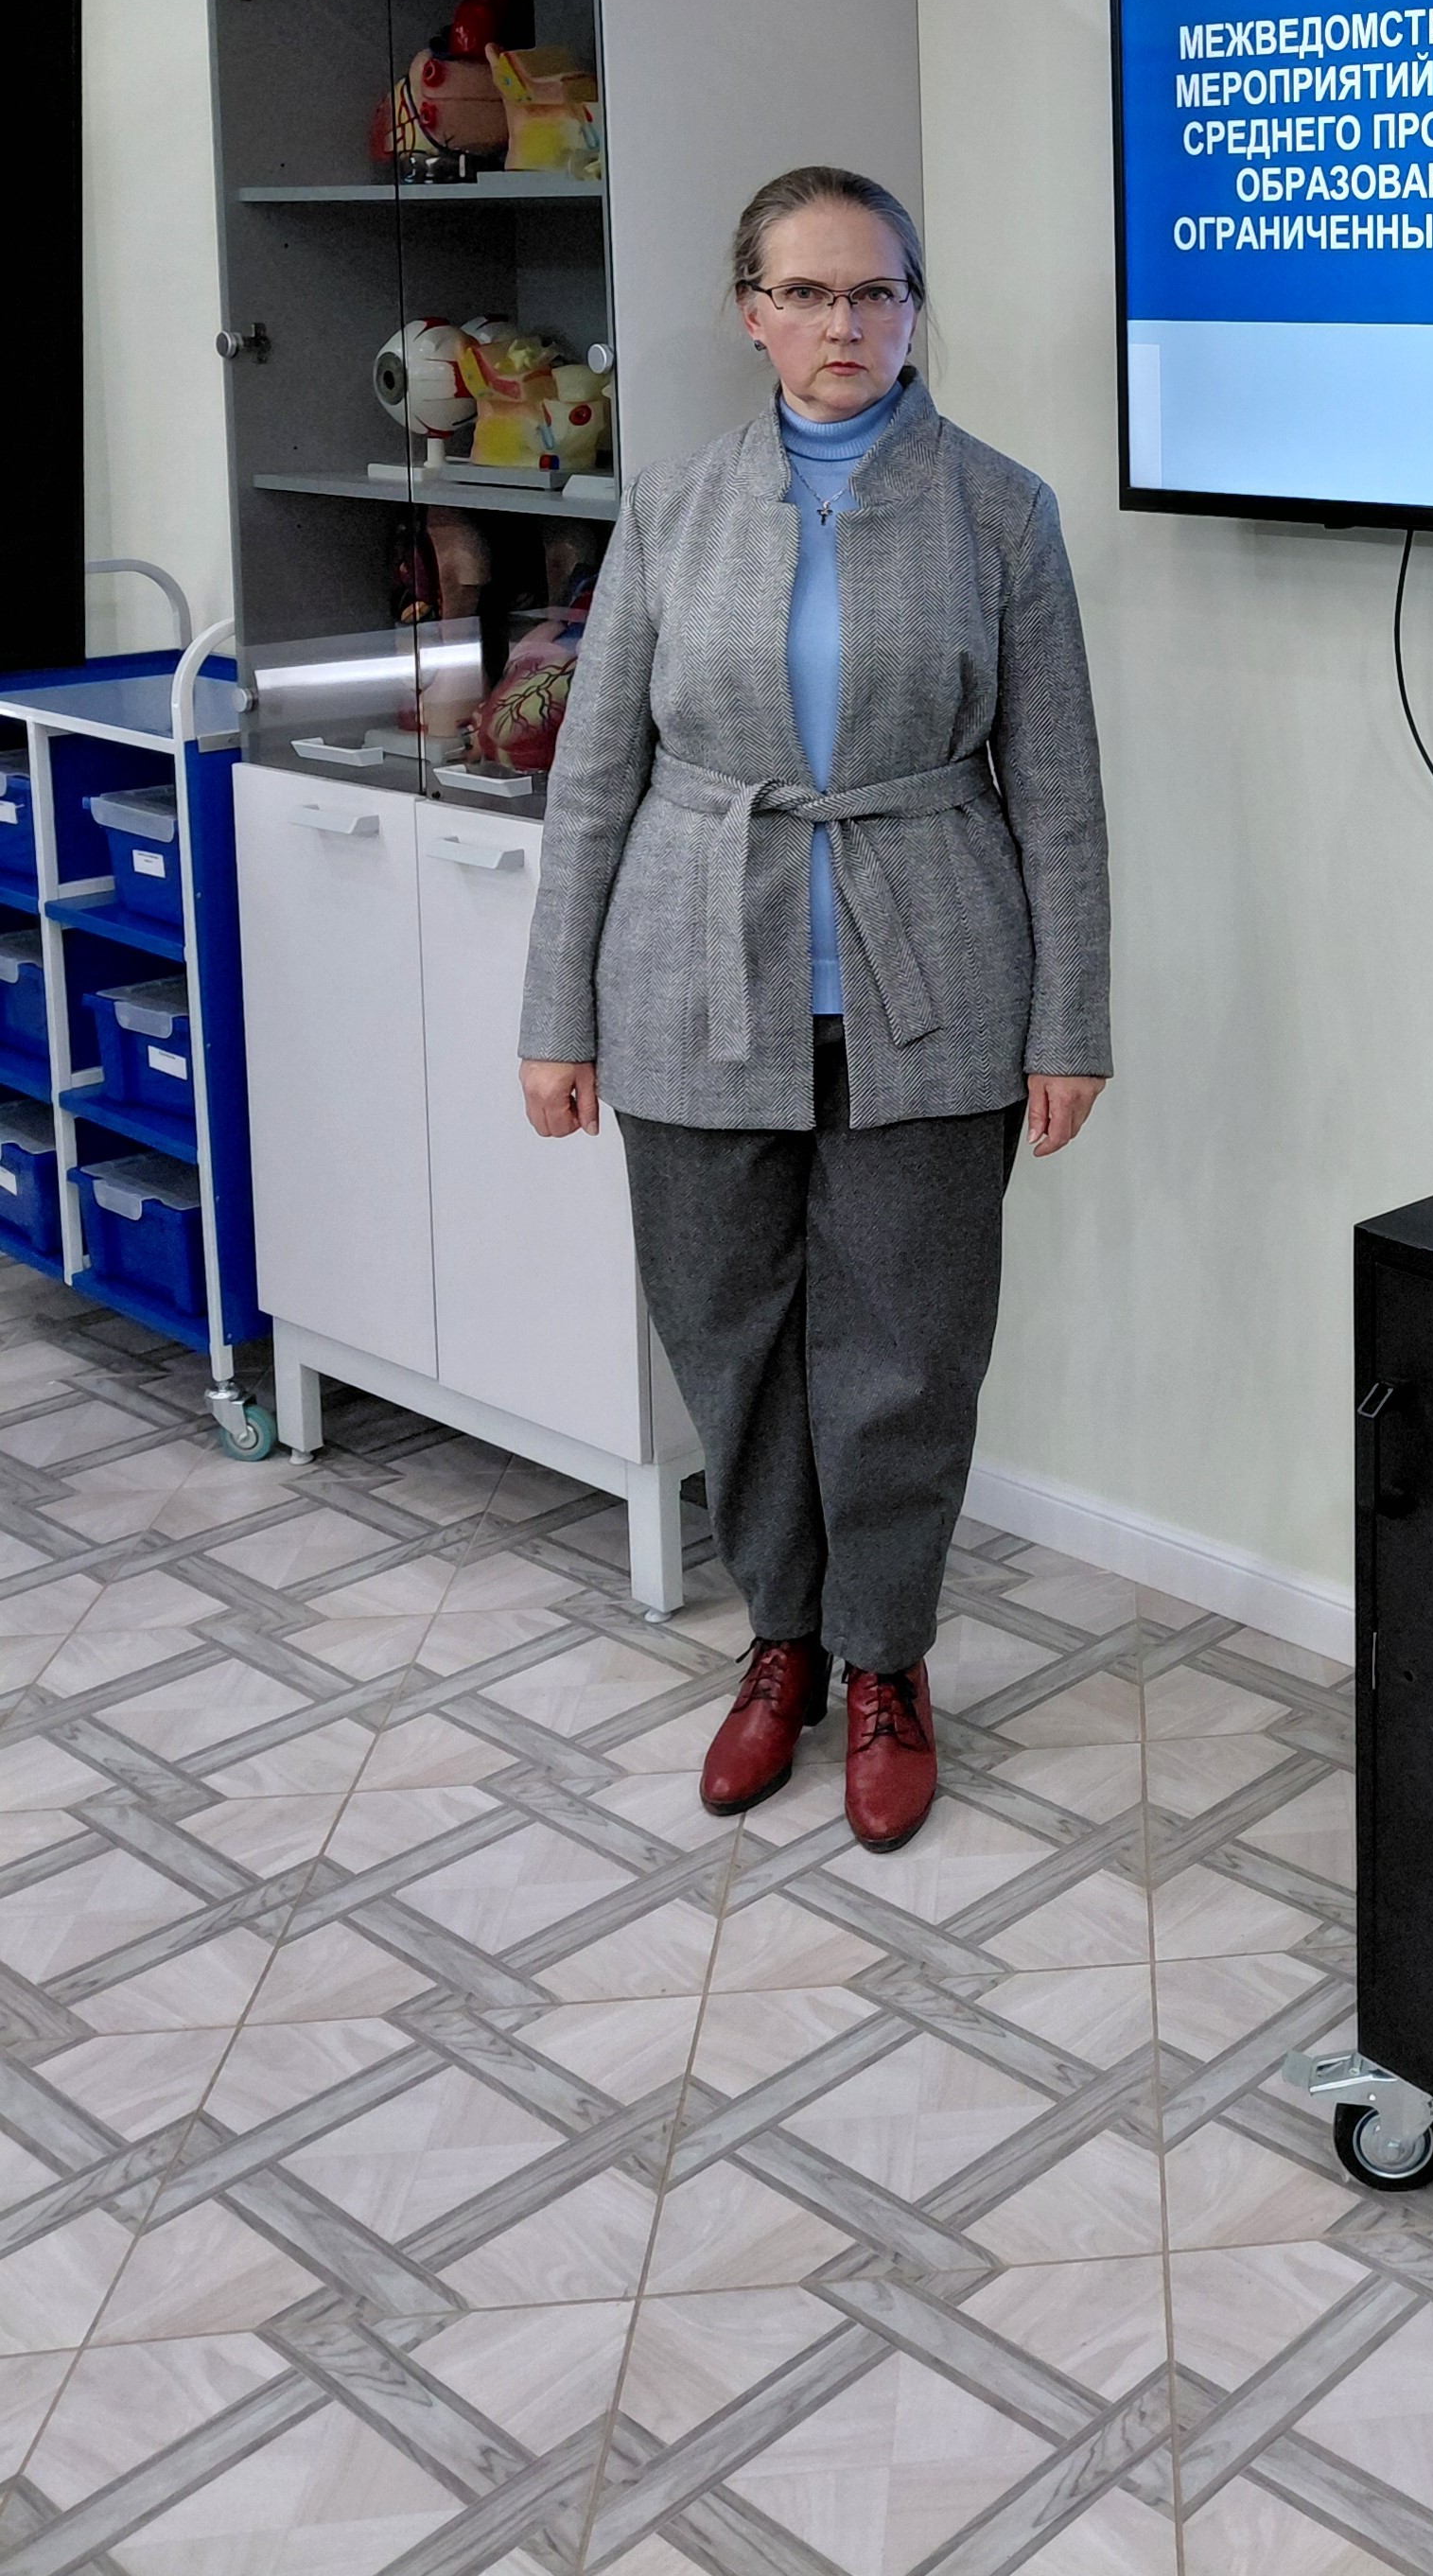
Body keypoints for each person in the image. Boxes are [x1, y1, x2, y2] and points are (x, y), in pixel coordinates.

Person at [517, 165, 1108, 1849]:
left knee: (906, 1353)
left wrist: (1071, 1024)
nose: (843, 323)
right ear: (750, 313)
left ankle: (888, 1661)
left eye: (874, 293)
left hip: (940, 989)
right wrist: (556, 1017)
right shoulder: (672, 509)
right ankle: (780, 1639)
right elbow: (594, 776)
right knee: (729, 1333)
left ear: (913, 313)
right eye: (807, 292)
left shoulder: (1001, 511)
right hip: (691, 973)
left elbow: (1059, 794)